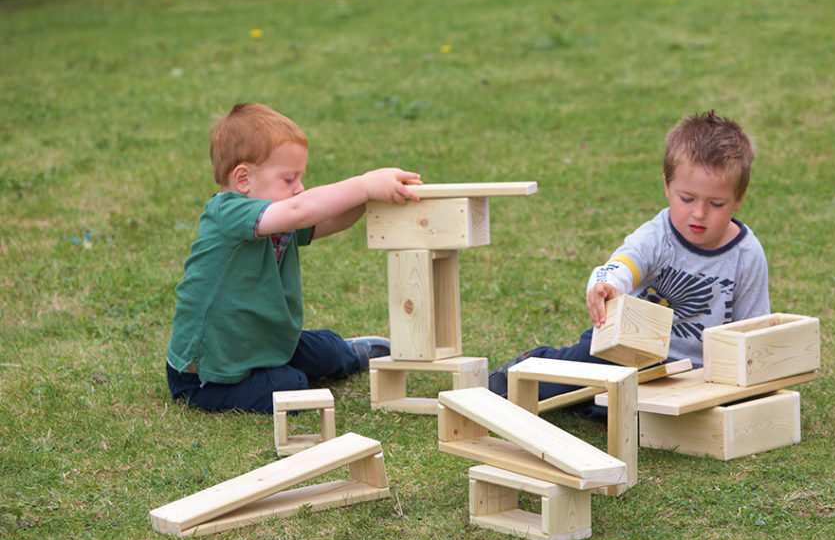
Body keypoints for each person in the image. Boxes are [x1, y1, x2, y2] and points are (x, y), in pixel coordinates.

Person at [488, 110, 770, 407]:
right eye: (686, 199)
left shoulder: (747, 255)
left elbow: (753, 330)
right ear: (666, 186)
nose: (699, 213)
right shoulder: (658, 237)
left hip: (697, 376)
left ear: (739, 199)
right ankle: (527, 369)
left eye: (716, 203)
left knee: (625, 410)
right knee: (575, 378)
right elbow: (624, 265)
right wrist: (606, 285)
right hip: (627, 353)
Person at [166, 102, 422, 414]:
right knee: (291, 384)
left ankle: (347, 353)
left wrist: (370, 197)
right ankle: (281, 375)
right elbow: (301, 210)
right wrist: (364, 183)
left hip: (262, 344)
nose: (299, 188)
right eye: (289, 179)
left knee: (327, 352)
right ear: (243, 179)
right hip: (208, 373)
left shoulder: (278, 216)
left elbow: (328, 221)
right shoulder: (227, 212)